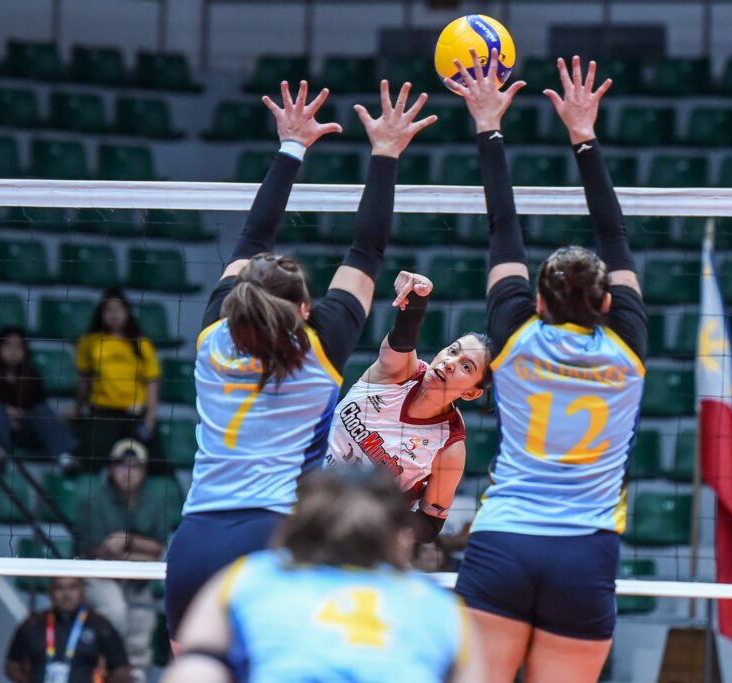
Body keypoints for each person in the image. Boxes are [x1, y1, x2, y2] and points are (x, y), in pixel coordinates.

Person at [163, 78, 437, 646]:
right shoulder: (321, 349)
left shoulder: (213, 333)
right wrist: (385, 152)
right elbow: (367, 250)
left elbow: (251, 236)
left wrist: (291, 146)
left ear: (241, 293)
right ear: (306, 309)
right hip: (273, 537)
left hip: (194, 539)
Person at [446, 53, 647, 683]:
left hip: (503, 540)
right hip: (584, 554)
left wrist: (488, 127)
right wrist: (584, 136)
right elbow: (615, 236)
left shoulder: (513, 336)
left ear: (537, 301)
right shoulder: (628, 349)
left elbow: (502, 226)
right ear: (608, 304)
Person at [162, 468, 484, 683]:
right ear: (402, 533)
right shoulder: (438, 606)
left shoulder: (250, 578)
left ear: (302, 521)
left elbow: (194, 673)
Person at [324, 269, 491, 543]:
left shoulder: (449, 446)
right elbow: (403, 335)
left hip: (357, 535)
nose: (450, 363)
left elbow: (430, 524)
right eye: (452, 350)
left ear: (472, 393)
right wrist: (417, 300)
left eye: (466, 366)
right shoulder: (399, 372)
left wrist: (379, 525)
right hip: (304, 491)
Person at [74, 438, 180, 683]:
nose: (128, 472)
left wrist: (127, 540)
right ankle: (103, 671)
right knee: (116, 611)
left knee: (144, 621)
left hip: (137, 578)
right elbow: (101, 551)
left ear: (144, 471)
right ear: (111, 469)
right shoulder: (94, 499)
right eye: (122, 465)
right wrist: (141, 553)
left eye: (135, 466)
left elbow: (158, 549)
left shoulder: (156, 500)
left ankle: (135, 677)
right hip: (98, 573)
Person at [0, 326, 78, 470]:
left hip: (21, 431)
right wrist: (3, 415)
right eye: (8, 345)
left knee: (41, 412)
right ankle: (0, 453)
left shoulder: (31, 376)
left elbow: (39, 409)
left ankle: (64, 457)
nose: (13, 351)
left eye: (18, 346)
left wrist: (17, 416)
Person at [74, 288, 163, 472]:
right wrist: (77, 407)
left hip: (135, 414)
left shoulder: (141, 343)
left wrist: (150, 419)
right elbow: (84, 379)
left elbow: (152, 382)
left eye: (119, 309)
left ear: (128, 312)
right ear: (101, 313)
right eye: (108, 309)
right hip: (102, 412)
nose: (114, 314)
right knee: (91, 461)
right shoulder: (89, 342)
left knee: (157, 464)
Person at [5, 576, 130, 683]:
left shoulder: (99, 625)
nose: (66, 594)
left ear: (82, 590)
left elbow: (121, 670)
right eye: (59, 588)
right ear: (50, 592)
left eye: (72, 588)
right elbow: (12, 666)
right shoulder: (33, 624)